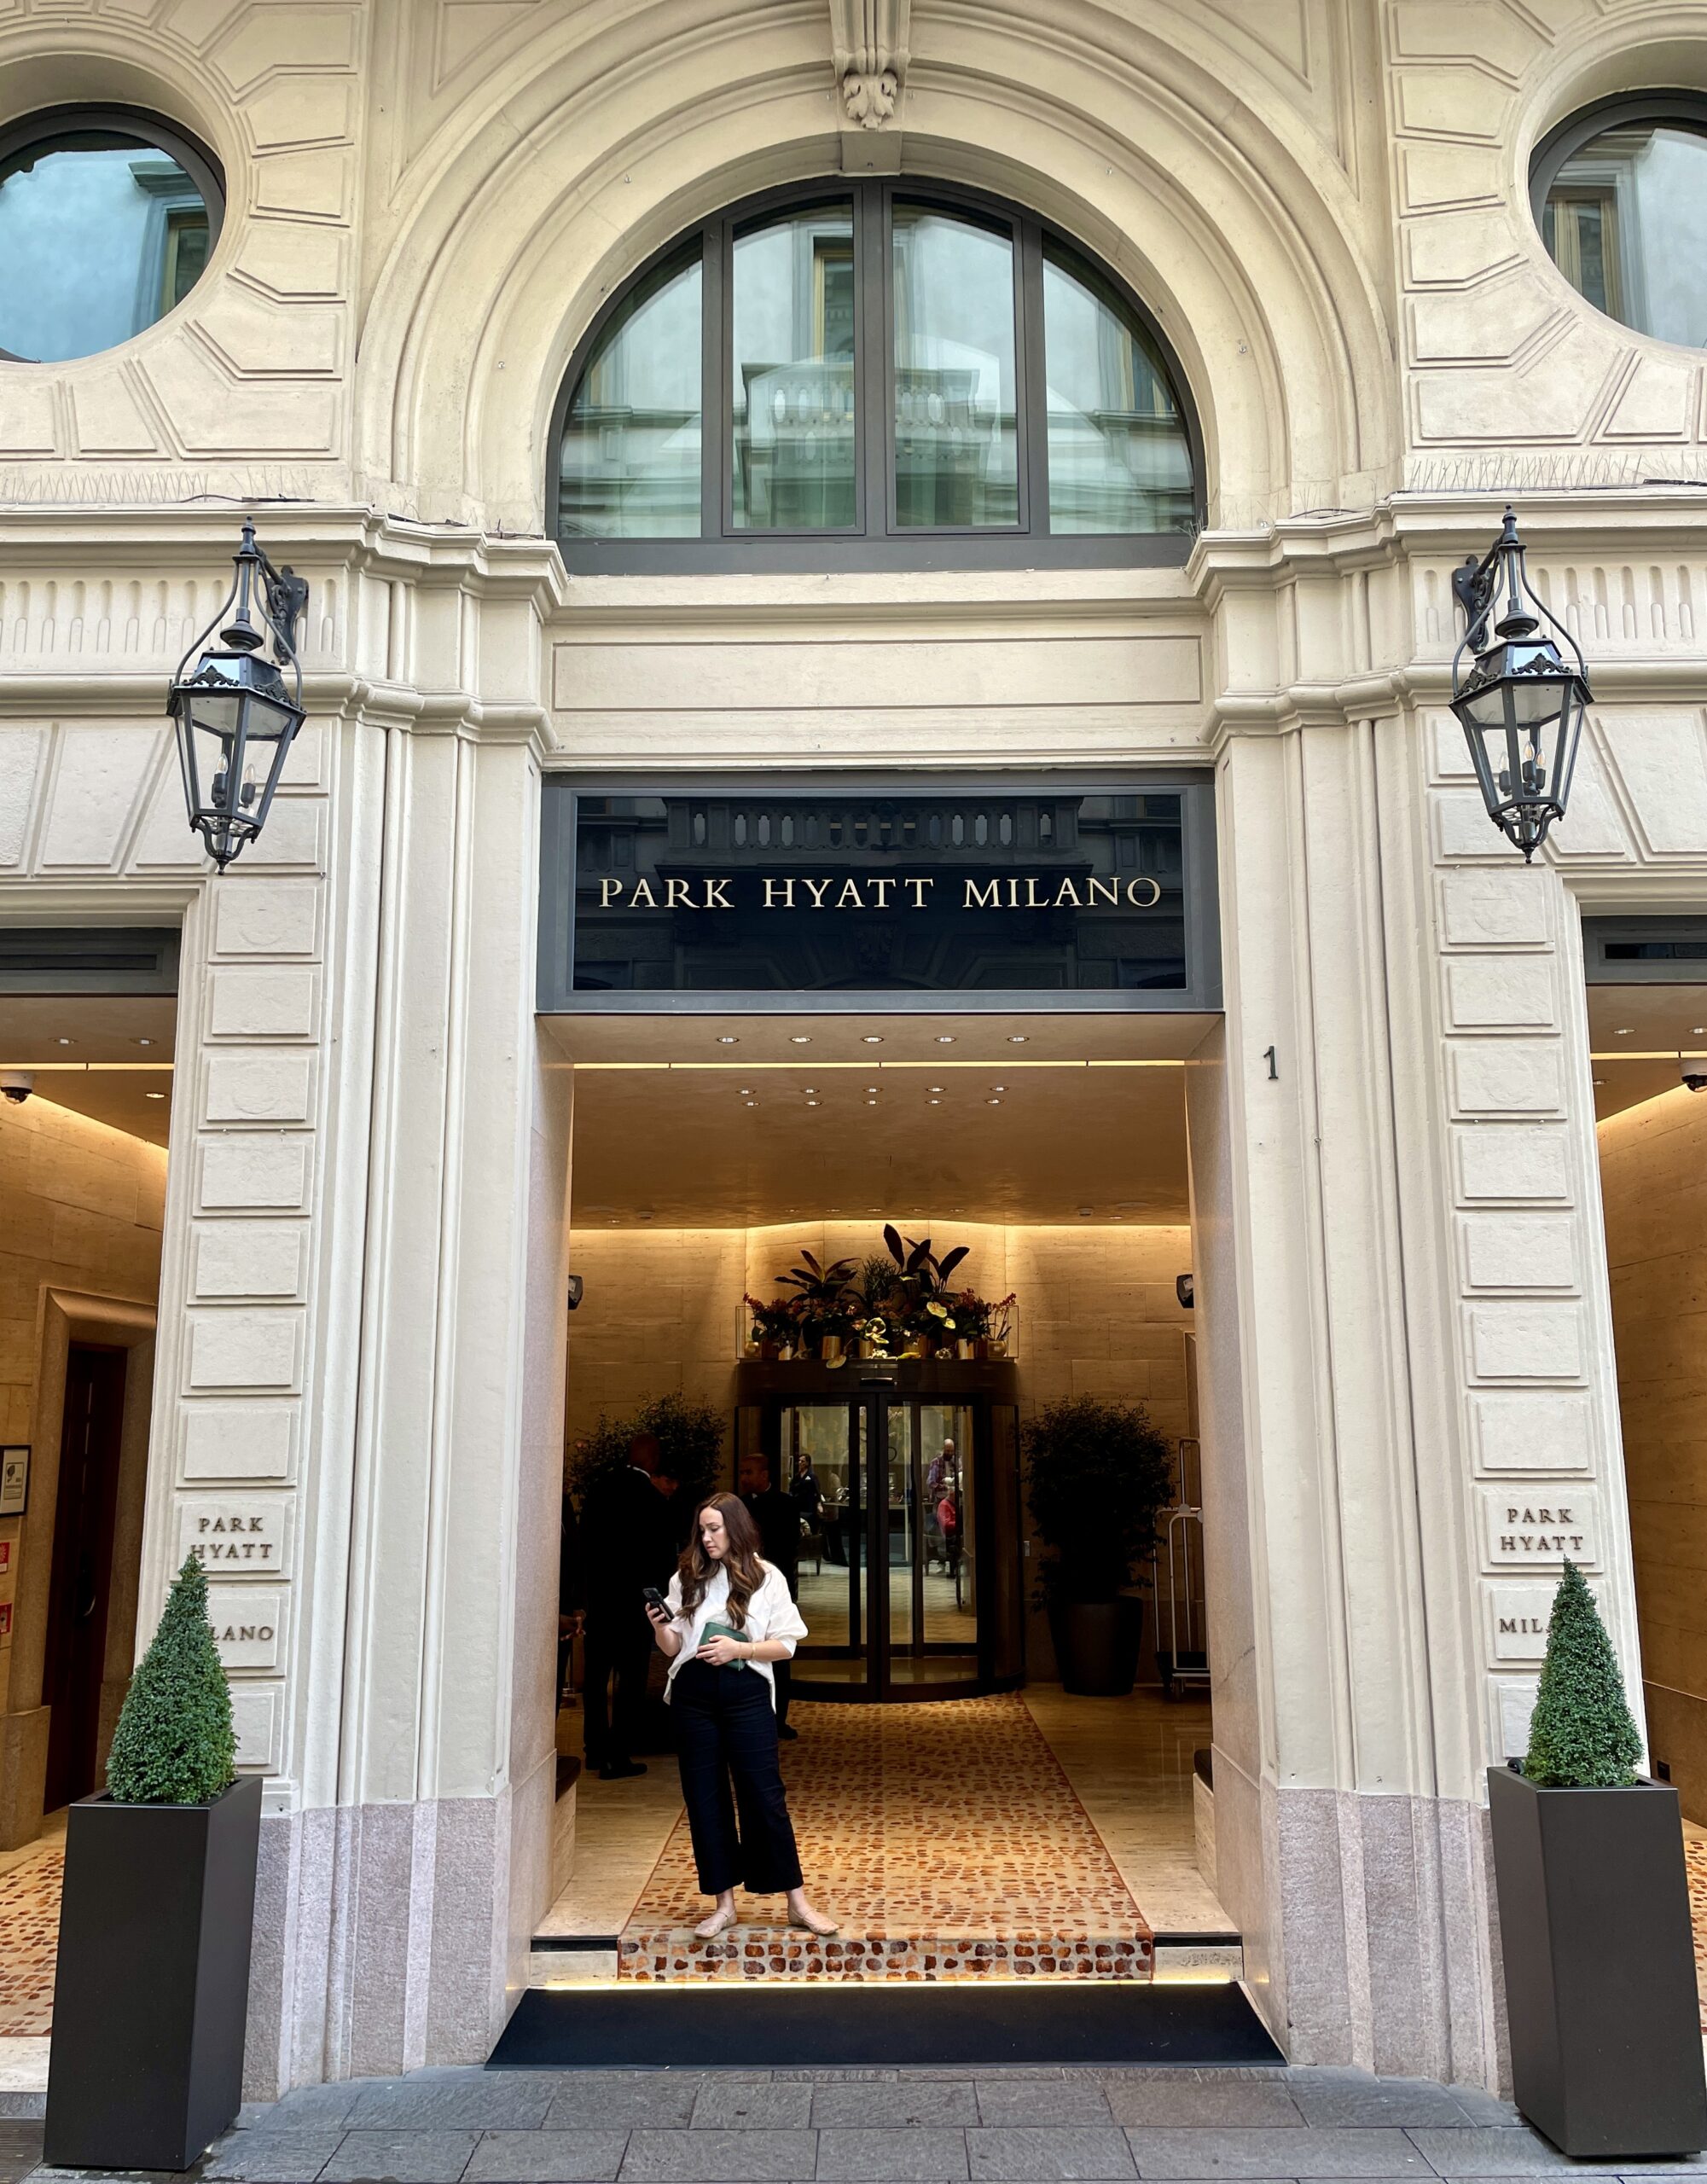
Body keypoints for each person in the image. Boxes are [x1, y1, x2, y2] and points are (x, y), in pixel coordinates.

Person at [646, 1494, 837, 1940]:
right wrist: (659, 1625)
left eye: (715, 1529)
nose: (707, 1538)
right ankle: (724, 1905)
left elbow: (786, 1644)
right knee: (705, 1798)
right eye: (702, 1530)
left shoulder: (767, 1577)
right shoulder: (686, 1577)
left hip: (746, 1691)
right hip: (693, 1694)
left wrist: (740, 1649)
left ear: (735, 1528)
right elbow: (674, 1647)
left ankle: (796, 1902)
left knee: (763, 1795)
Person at [580, 1431, 674, 1779]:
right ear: (652, 1460)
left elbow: (584, 1547)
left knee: (595, 1679)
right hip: (635, 1608)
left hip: (601, 1604)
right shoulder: (652, 1499)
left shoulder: (598, 1490)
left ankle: (593, 1749)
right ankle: (618, 1756)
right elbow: (663, 1560)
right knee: (629, 1682)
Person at [738, 1452, 802, 1738]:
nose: (744, 1478)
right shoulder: (736, 1506)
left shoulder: (785, 1504)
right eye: (742, 1472)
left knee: (778, 1654)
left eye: (749, 1472)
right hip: (741, 1589)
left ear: (765, 1475)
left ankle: (778, 1720)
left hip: (774, 1586)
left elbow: (788, 1545)